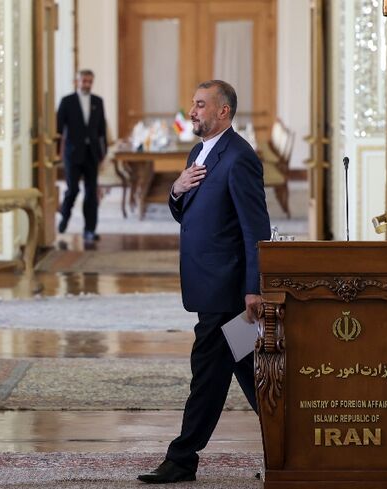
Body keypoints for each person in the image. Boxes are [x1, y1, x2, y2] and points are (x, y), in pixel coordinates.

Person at [137, 80, 270, 484]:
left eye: (199, 105)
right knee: (250, 371)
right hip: (208, 283)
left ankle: (182, 458)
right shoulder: (199, 151)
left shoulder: (239, 157)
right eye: (193, 105)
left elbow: (255, 229)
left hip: (227, 290)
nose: (192, 112)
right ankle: (298, 439)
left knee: (208, 373)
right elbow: (189, 211)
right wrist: (175, 191)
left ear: (222, 111)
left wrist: (254, 287)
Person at [56, 69, 107, 243]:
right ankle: (64, 217)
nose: (86, 84)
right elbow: (58, 130)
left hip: (91, 154)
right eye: (83, 81)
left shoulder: (97, 102)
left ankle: (90, 230)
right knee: (73, 189)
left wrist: (103, 153)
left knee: (91, 192)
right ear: (76, 82)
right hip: (72, 153)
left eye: (89, 81)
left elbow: (102, 130)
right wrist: (58, 153)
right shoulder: (67, 101)